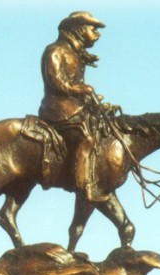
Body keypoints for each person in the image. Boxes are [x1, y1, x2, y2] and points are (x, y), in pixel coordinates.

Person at [38, 11, 108, 202]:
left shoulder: (75, 53)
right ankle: (84, 187)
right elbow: (55, 82)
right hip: (57, 108)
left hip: (73, 106)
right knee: (87, 137)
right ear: (78, 29)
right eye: (92, 29)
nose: (96, 33)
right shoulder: (54, 51)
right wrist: (78, 89)